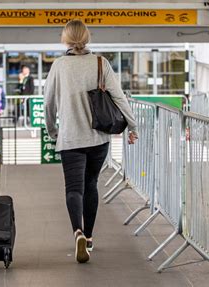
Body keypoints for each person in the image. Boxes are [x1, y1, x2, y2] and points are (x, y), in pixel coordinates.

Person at [44, 20, 138, 264]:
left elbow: (48, 104)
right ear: (87, 38)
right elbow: (118, 96)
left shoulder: (59, 66)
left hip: (70, 139)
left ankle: (77, 231)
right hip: (98, 138)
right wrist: (133, 125)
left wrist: (53, 131)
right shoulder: (100, 62)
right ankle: (89, 236)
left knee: (73, 188)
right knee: (91, 183)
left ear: (65, 39)